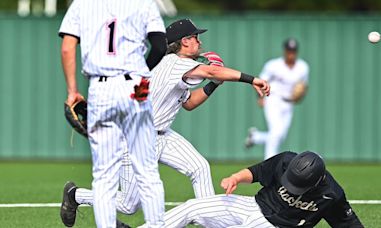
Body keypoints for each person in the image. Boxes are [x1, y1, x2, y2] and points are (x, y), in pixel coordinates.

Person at [59, 18, 270, 227]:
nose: (200, 43)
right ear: (185, 41)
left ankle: (211, 222)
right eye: (196, 37)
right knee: (128, 205)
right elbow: (211, 70)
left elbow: (189, 103)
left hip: (162, 134)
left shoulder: (177, 68)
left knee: (199, 167)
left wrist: (214, 85)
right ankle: (75, 195)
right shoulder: (174, 63)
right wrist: (252, 79)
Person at [58, 0, 167, 227]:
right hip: (135, 85)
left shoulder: (82, 4)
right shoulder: (144, 3)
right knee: (146, 171)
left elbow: (68, 47)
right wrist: (142, 78)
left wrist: (72, 91)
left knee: (104, 177)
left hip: (101, 88)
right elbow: (159, 46)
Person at [149, 151, 364, 228]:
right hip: (252, 205)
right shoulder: (286, 160)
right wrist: (235, 177)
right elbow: (257, 171)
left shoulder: (332, 195)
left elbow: (349, 225)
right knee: (191, 207)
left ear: (317, 181)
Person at [245, 38, 309, 159]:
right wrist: (260, 97)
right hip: (273, 99)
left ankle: (256, 137)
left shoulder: (303, 67)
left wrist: (301, 95)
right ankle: (269, 163)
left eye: (293, 51)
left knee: (281, 136)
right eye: (289, 50)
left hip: (289, 103)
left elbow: (303, 86)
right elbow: (261, 81)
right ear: (285, 51)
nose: (291, 53)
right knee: (276, 132)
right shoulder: (273, 65)